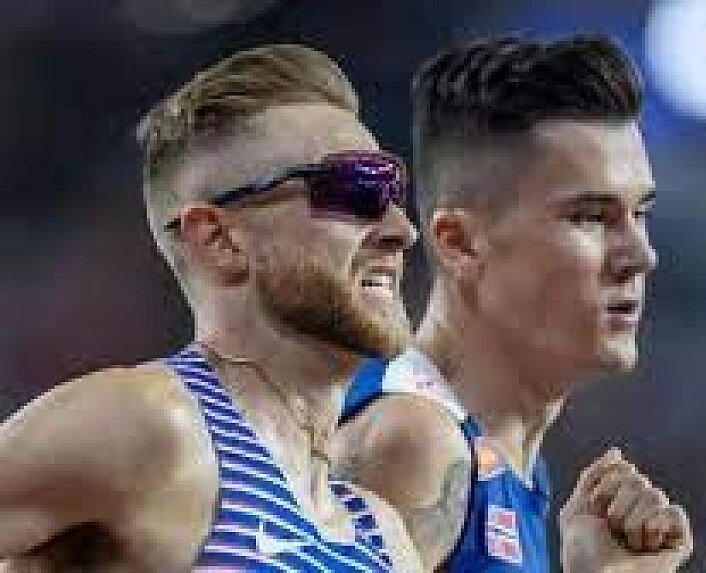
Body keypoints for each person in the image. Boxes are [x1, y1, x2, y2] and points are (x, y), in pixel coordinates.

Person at [0, 44, 424, 571]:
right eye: (356, 188)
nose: (402, 231)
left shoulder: (386, 539)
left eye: (393, 192)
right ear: (219, 240)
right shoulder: (150, 426)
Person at [335, 35, 694, 571]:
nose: (641, 255)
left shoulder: (502, 461)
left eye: (639, 213)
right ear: (460, 243)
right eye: (590, 217)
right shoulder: (414, 444)